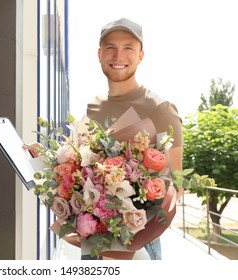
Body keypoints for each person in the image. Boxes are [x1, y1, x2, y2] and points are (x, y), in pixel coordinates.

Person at [86, 18, 184, 260]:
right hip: (93, 240)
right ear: (99, 54)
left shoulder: (159, 109)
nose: (118, 55)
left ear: (140, 55)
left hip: (138, 244)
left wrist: (128, 241)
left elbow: (177, 186)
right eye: (110, 47)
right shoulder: (92, 108)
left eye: (128, 47)